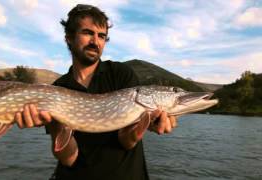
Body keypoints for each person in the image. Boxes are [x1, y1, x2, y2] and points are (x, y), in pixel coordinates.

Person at [14, 4, 177, 180]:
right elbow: (68, 158)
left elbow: (125, 140)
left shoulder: (120, 74)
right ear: (69, 37)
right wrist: (55, 126)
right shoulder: (56, 89)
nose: (95, 41)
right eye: (87, 33)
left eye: (101, 36)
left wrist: (139, 128)